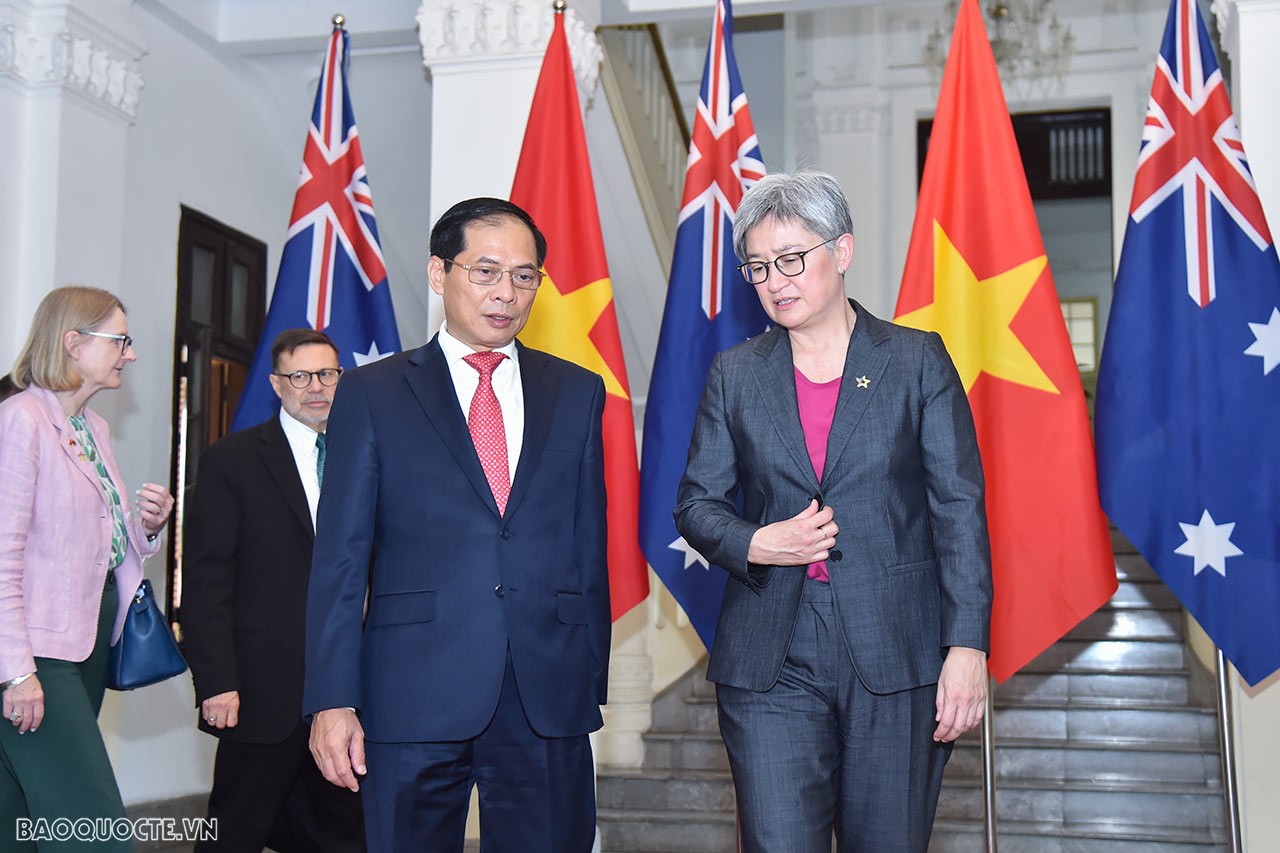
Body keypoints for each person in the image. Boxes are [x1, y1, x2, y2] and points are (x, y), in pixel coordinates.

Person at [674, 171, 993, 852]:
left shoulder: (915, 360)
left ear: (841, 252)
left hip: (897, 650)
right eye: (758, 266)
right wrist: (759, 540)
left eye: (792, 259)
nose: (775, 280)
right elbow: (697, 503)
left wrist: (967, 646)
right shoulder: (736, 373)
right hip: (773, 653)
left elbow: (958, 510)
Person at [304, 197, 611, 853]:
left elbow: (589, 548)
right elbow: (340, 557)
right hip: (410, 690)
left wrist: (589, 677)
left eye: (524, 276)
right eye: (486, 271)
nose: (507, 293)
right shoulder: (371, 392)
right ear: (440, 272)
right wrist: (332, 698)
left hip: (544, 696)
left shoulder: (578, 391)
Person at [0, 286, 175, 851]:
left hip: (88, 641)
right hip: (37, 653)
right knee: (92, 824)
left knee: (23, 815)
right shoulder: (21, 420)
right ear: (73, 342)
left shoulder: (92, 429)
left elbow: (98, 544)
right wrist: (17, 671)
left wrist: (146, 526)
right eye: (120, 340)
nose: (131, 353)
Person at [182, 328, 364, 853]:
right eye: (300, 376)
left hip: (348, 698)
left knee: (349, 836)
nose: (316, 387)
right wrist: (216, 679)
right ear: (276, 384)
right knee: (235, 833)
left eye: (327, 374)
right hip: (261, 698)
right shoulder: (232, 460)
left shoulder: (367, 455)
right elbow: (207, 580)